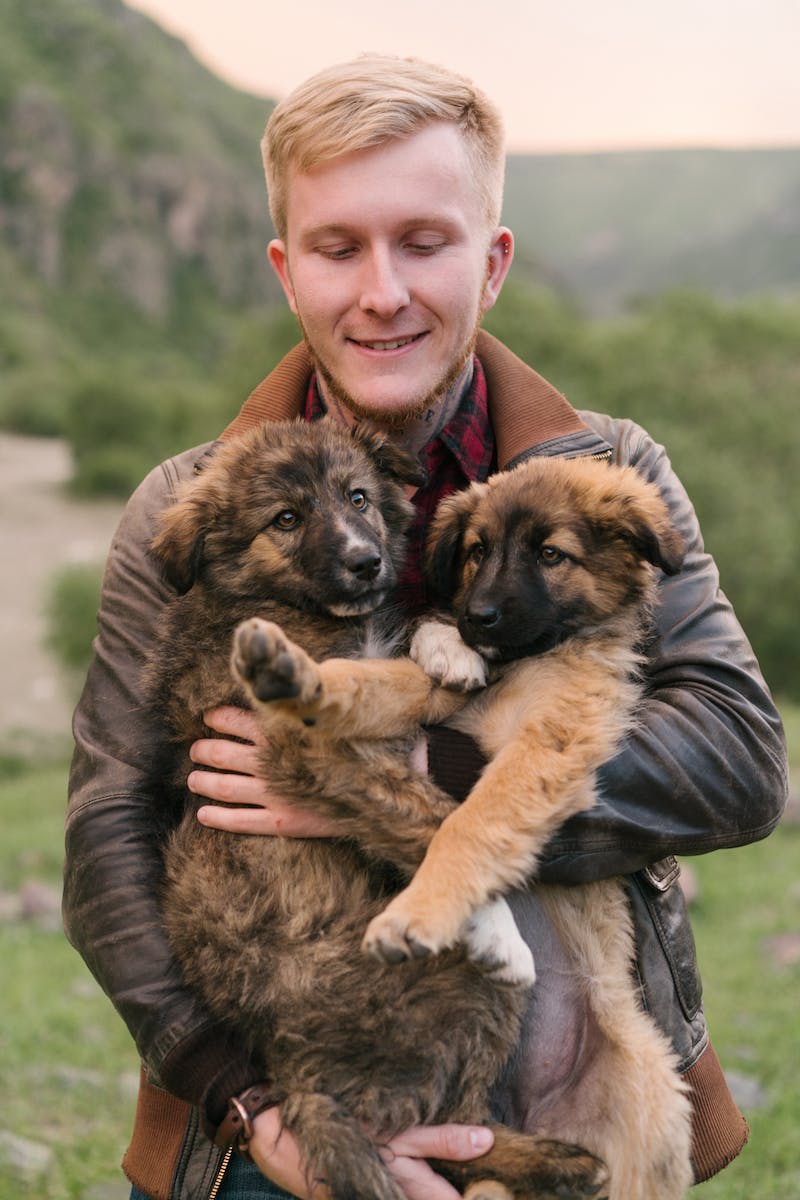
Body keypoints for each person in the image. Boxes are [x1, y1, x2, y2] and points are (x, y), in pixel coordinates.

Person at [63, 54, 788, 1200]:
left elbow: (737, 759)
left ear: (491, 262)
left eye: (424, 241)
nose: (382, 291)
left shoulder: (606, 472)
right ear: (284, 269)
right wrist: (251, 1110)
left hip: (575, 1080)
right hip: (293, 1099)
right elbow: (107, 839)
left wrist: (424, 769)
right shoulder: (185, 506)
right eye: (337, 246)